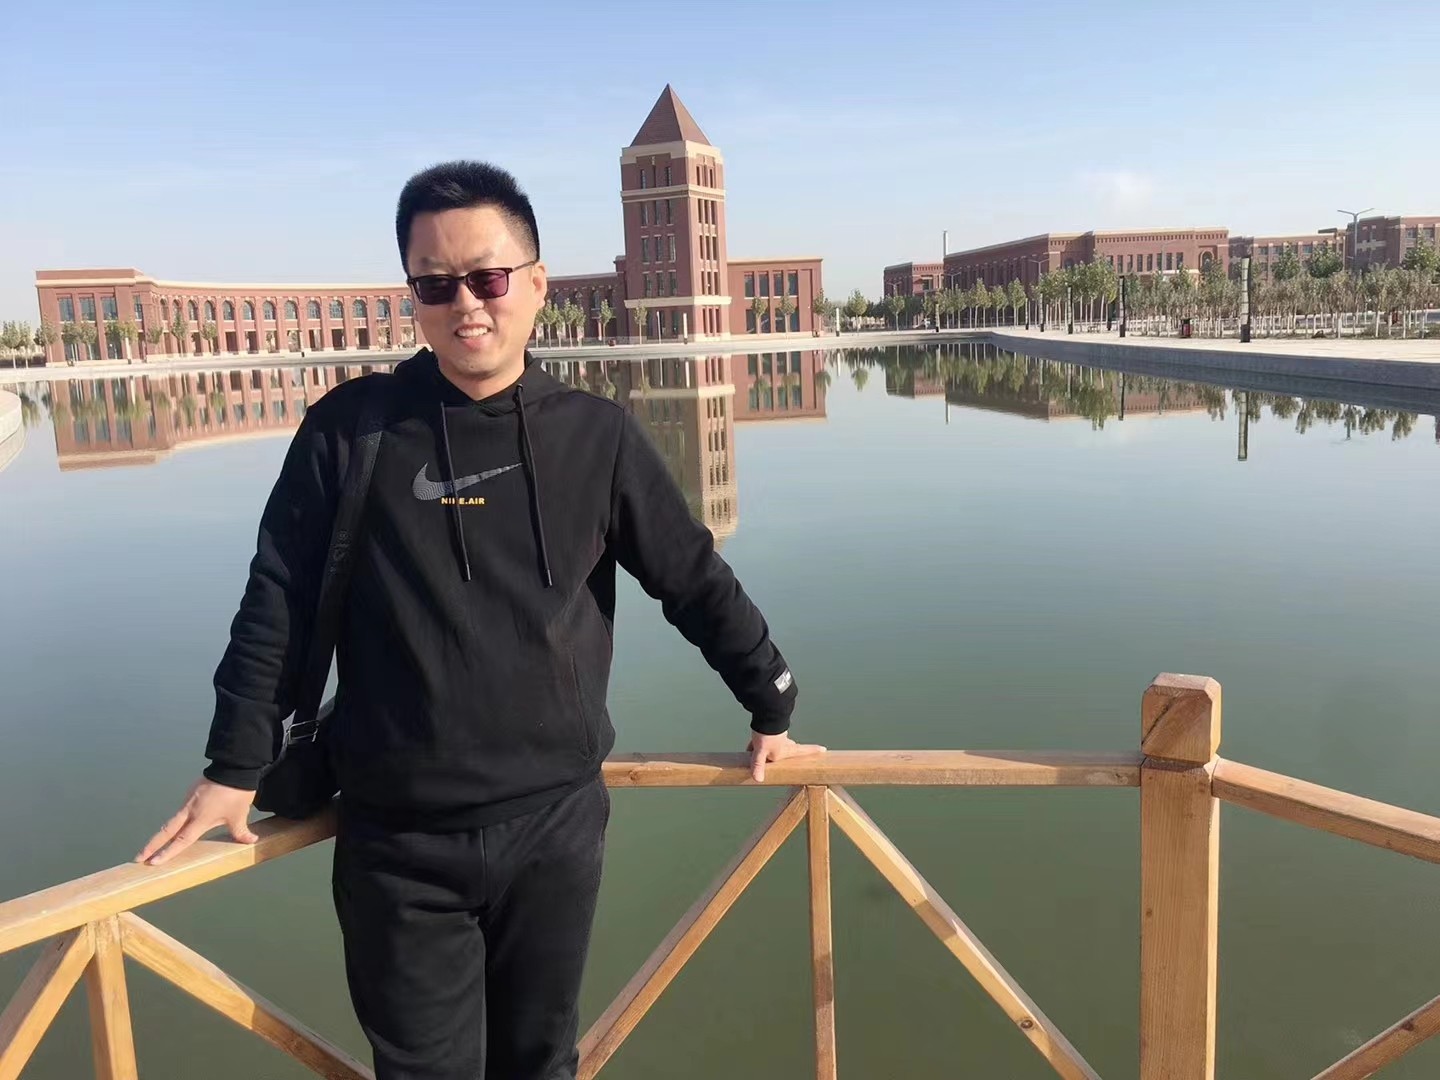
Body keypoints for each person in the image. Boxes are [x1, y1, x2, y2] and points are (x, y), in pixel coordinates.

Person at [136, 160, 824, 1080]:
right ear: (413, 297)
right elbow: (278, 600)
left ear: (535, 285)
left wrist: (770, 700)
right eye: (436, 283)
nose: (466, 303)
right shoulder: (351, 432)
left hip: (555, 826)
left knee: (541, 1062)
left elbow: (691, 579)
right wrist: (233, 765)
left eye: (488, 278)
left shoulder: (595, 435)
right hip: (398, 842)